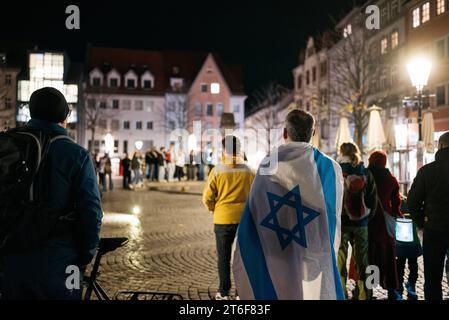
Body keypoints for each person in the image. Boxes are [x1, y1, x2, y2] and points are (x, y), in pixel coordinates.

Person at [0, 87, 102, 299]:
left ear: (32, 113)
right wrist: (85, 254)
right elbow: (91, 211)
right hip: (61, 259)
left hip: (11, 258)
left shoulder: (9, 145)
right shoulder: (76, 155)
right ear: (65, 117)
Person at [233, 110, 345, 300]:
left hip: (277, 251)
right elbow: (332, 214)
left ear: (285, 132)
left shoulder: (270, 163)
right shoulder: (330, 168)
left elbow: (256, 209)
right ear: (313, 133)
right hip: (312, 252)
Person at [203, 136, 255, 300]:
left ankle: (224, 292)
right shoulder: (249, 170)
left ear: (224, 149)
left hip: (223, 219)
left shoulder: (217, 170)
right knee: (244, 258)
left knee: (223, 257)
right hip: (244, 220)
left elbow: (207, 197)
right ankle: (241, 293)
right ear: (239, 149)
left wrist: (215, 209)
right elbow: (256, 195)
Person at [408, 132, 449, 300]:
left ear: (439, 146)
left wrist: (421, 223)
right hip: (434, 228)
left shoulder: (427, 171)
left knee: (433, 277)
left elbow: (412, 202)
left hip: (434, 229)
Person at [337, 142, 377, 300]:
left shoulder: (337, 171)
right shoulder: (366, 172)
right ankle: (365, 294)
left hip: (342, 223)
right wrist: (365, 218)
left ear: (341, 153)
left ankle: (341, 293)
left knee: (340, 259)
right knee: (363, 261)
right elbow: (373, 200)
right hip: (361, 224)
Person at [367, 150, 402, 300]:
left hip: (368, 222)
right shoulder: (390, 179)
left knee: (371, 256)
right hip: (385, 224)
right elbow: (396, 203)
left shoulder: (366, 176)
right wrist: (396, 212)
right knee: (388, 257)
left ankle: (370, 290)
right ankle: (391, 290)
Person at [396, 195, 422, 300]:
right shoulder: (413, 205)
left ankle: (399, 287)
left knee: (400, 265)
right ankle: (411, 286)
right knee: (413, 265)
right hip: (412, 243)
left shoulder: (397, 204)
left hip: (400, 243)